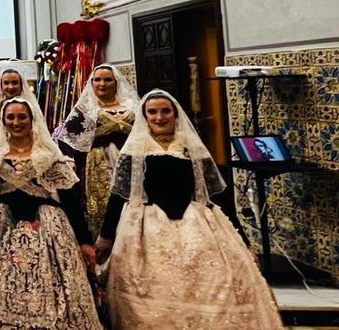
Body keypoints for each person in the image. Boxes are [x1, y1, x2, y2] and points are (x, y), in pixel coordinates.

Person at [95, 90, 284, 328]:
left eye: (166, 111)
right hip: (145, 226)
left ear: (175, 114)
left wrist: (244, 241)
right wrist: (106, 236)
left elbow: (219, 196)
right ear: (145, 116)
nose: (159, 117)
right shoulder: (134, 149)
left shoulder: (191, 147)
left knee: (217, 280)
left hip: (197, 223)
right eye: (152, 112)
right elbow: (118, 195)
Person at [0, 97, 101, 330]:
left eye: (22, 117)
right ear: (3, 121)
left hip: (47, 228)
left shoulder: (48, 154)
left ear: (31, 119)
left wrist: (84, 240)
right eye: (10, 117)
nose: (16, 122)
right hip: (0, 229)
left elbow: (70, 199)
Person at [54, 63, 141, 235]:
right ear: (91, 83)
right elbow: (66, 138)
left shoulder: (132, 106)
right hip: (99, 163)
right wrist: (70, 161)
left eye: (108, 80)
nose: (102, 84)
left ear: (116, 82)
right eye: (97, 80)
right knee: (104, 202)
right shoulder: (85, 109)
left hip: (130, 160)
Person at [0, 67, 38, 147]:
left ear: (21, 85)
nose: (10, 87)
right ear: (1, 85)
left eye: (15, 82)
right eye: (6, 83)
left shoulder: (31, 108)